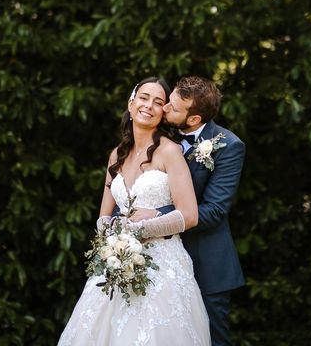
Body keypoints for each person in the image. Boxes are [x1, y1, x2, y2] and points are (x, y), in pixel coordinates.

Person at [57, 77, 211, 345]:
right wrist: (116, 236)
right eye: (143, 97)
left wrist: (138, 229)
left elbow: (189, 215)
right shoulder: (116, 155)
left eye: (158, 102)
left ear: (163, 112)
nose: (149, 105)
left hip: (162, 265)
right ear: (131, 104)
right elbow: (104, 217)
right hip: (117, 262)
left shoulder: (170, 152)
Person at [129, 76, 246, 346]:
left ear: (193, 119)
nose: (164, 109)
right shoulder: (162, 135)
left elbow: (214, 210)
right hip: (157, 261)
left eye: (173, 107)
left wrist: (159, 214)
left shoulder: (228, 146)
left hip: (206, 263)